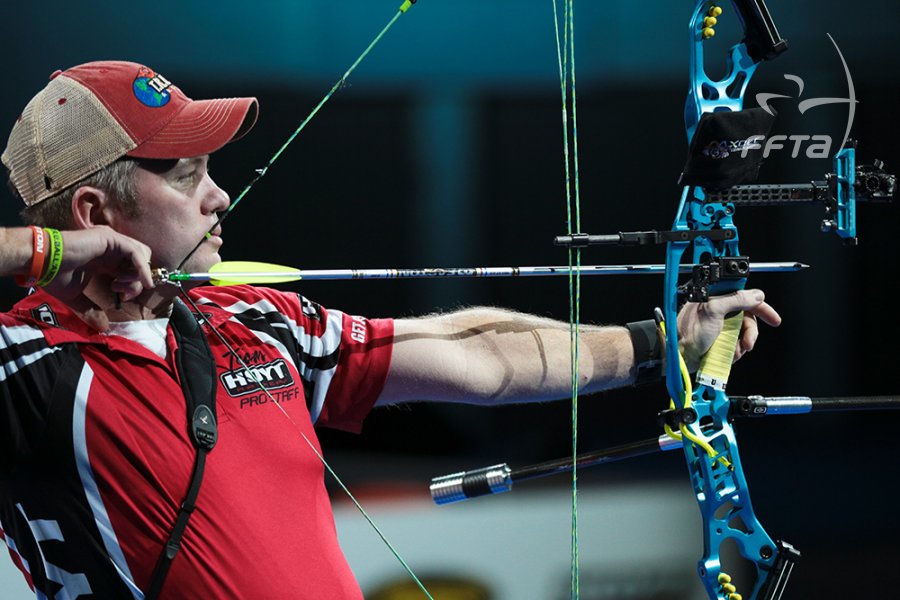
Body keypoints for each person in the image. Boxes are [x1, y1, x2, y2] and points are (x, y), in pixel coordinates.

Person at [0, 61, 780, 599]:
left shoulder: (254, 322)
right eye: (183, 175)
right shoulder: (27, 366)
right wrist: (48, 254)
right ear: (94, 214)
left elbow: (475, 359)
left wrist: (658, 343)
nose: (220, 196)